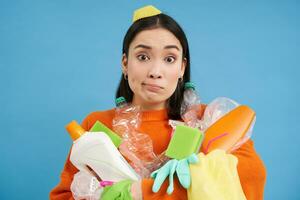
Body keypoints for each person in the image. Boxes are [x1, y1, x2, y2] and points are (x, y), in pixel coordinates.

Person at [50, 5, 266, 200]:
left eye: (169, 59)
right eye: (143, 57)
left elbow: (250, 178)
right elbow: (64, 195)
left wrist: (140, 192)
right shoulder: (98, 126)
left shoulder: (210, 120)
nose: (155, 72)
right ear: (125, 63)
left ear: (182, 68)